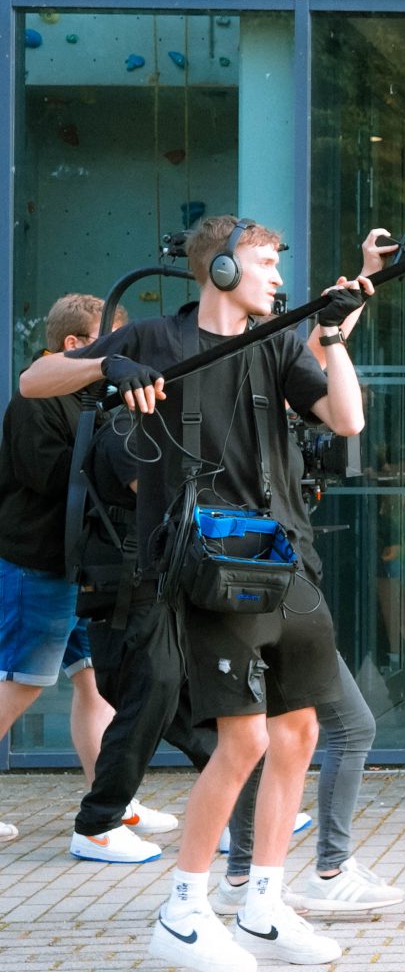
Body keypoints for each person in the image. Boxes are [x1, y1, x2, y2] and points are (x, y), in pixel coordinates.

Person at [23, 214, 379, 969]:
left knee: (300, 732)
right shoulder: (153, 338)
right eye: (263, 261)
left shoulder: (281, 343)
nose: (279, 277)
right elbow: (34, 380)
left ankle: (262, 906)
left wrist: (336, 337)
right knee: (245, 737)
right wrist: (103, 368)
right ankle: (184, 910)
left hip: (286, 557)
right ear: (219, 270)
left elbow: (345, 418)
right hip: (207, 566)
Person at [0, 294, 170, 852]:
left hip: (75, 565)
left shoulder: (90, 396)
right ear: (75, 345)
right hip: (37, 563)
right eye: (106, 347)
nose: (114, 359)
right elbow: (51, 476)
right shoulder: (35, 401)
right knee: (22, 682)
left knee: (92, 679)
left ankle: (112, 800)